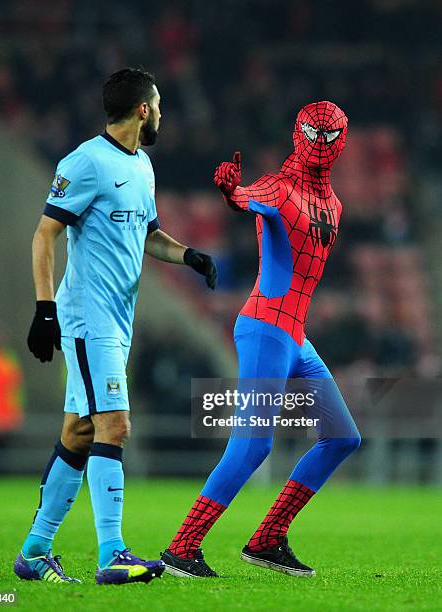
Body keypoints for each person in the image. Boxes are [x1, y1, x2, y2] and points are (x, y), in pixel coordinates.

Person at [14, 68, 217, 586]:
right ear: (143, 110)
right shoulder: (85, 162)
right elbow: (44, 235)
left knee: (79, 432)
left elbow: (148, 235)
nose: (163, 115)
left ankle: (35, 552)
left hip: (119, 320)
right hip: (88, 317)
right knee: (115, 426)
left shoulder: (141, 166)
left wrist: (188, 255)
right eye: (159, 105)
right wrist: (45, 309)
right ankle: (113, 554)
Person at [162, 101, 361, 578]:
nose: (320, 143)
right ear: (298, 133)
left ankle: (268, 539)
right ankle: (181, 548)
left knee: (342, 437)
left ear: (343, 140)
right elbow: (247, 198)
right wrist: (231, 190)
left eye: (330, 136)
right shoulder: (278, 185)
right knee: (253, 445)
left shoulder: (334, 205)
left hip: (294, 336)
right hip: (266, 328)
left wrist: (236, 192)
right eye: (314, 132)